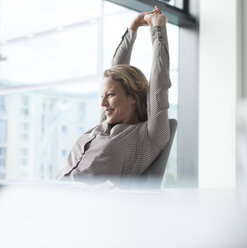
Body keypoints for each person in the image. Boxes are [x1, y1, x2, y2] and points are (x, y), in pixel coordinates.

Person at [55, 6, 171, 185]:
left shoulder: (149, 135)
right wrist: (133, 27)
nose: (103, 103)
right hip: (51, 195)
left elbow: (159, 84)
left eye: (110, 95)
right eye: (102, 95)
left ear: (133, 97)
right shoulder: (104, 124)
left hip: (80, 207)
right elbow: (116, 69)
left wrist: (158, 29)